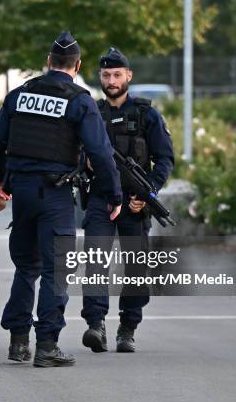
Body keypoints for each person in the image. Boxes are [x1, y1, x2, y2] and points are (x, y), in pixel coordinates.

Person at [0, 31, 123, 367]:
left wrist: (0, 180)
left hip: (23, 193)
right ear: (77, 66)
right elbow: (100, 153)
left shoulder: (19, 94)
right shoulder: (79, 100)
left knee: (26, 268)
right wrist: (114, 193)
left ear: (48, 63)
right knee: (56, 271)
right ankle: (47, 344)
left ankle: (18, 342)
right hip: (55, 194)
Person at [80, 47, 174, 353]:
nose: (111, 80)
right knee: (96, 261)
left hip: (135, 203)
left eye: (117, 74)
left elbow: (164, 160)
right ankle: (96, 324)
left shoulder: (147, 114)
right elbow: (73, 151)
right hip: (101, 199)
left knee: (136, 267)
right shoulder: (90, 113)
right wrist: (86, 162)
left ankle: (128, 327)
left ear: (128, 76)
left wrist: (147, 197)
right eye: (106, 75)